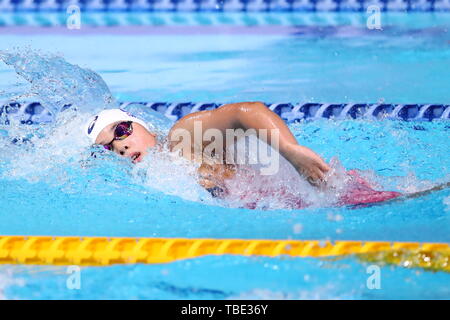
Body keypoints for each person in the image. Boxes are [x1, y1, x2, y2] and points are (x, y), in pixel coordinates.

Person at [84, 102, 401, 206]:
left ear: (141, 126)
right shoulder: (153, 179)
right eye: (108, 148)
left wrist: (292, 153)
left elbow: (247, 112)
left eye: (122, 131)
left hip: (320, 190)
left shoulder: (183, 138)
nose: (120, 146)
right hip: (288, 208)